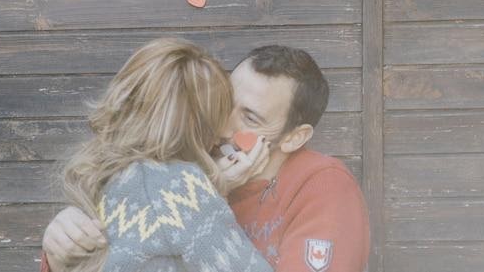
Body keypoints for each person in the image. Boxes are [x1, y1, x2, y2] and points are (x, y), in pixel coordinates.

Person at [42, 45, 370, 272]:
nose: (223, 126)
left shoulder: (323, 186)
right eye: (224, 103)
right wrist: (61, 252)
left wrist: (202, 196)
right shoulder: (177, 172)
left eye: (251, 119)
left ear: (293, 137)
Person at [48, 37, 273, 272]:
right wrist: (211, 192)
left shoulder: (107, 178)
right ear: (190, 125)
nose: (227, 132)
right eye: (218, 116)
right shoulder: (180, 188)